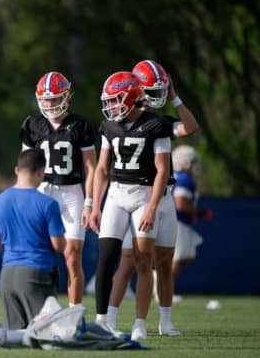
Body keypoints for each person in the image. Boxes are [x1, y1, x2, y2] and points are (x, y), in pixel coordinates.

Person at [107, 60, 201, 336]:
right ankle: (111, 318)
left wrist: (174, 97)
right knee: (130, 261)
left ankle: (165, 320)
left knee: (163, 262)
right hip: (133, 197)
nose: (155, 95)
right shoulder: (120, 119)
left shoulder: (159, 123)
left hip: (163, 196)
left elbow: (191, 128)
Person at [89, 71, 172, 341]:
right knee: (107, 256)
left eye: (115, 100)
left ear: (132, 97)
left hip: (144, 193)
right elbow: (102, 168)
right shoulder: (109, 125)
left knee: (143, 260)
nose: (110, 106)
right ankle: (104, 321)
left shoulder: (156, 124)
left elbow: (162, 171)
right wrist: (94, 205)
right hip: (116, 192)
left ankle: (139, 323)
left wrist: (151, 208)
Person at [0, 149, 66, 348]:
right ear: (41, 172)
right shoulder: (48, 204)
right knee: (48, 337)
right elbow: (59, 246)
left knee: (21, 340)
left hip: (7, 276)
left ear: (17, 170)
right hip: (36, 274)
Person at [19, 71, 97, 307]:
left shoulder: (81, 125)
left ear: (66, 97)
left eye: (55, 98)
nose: (50, 103)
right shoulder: (32, 124)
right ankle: (40, 309)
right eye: (46, 98)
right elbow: (25, 165)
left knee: (72, 256)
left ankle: (74, 312)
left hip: (72, 192)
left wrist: (90, 202)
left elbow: (91, 167)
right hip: (42, 192)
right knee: (38, 255)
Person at [171, 145, 210, 285]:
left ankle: (162, 283)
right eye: (193, 162)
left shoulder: (177, 177)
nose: (195, 166)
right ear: (185, 162)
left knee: (188, 255)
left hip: (178, 222)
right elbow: (180, 204)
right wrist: (201, 212)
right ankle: (163, 288)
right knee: (178, 257)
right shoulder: (184, 179)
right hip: (178, 222)